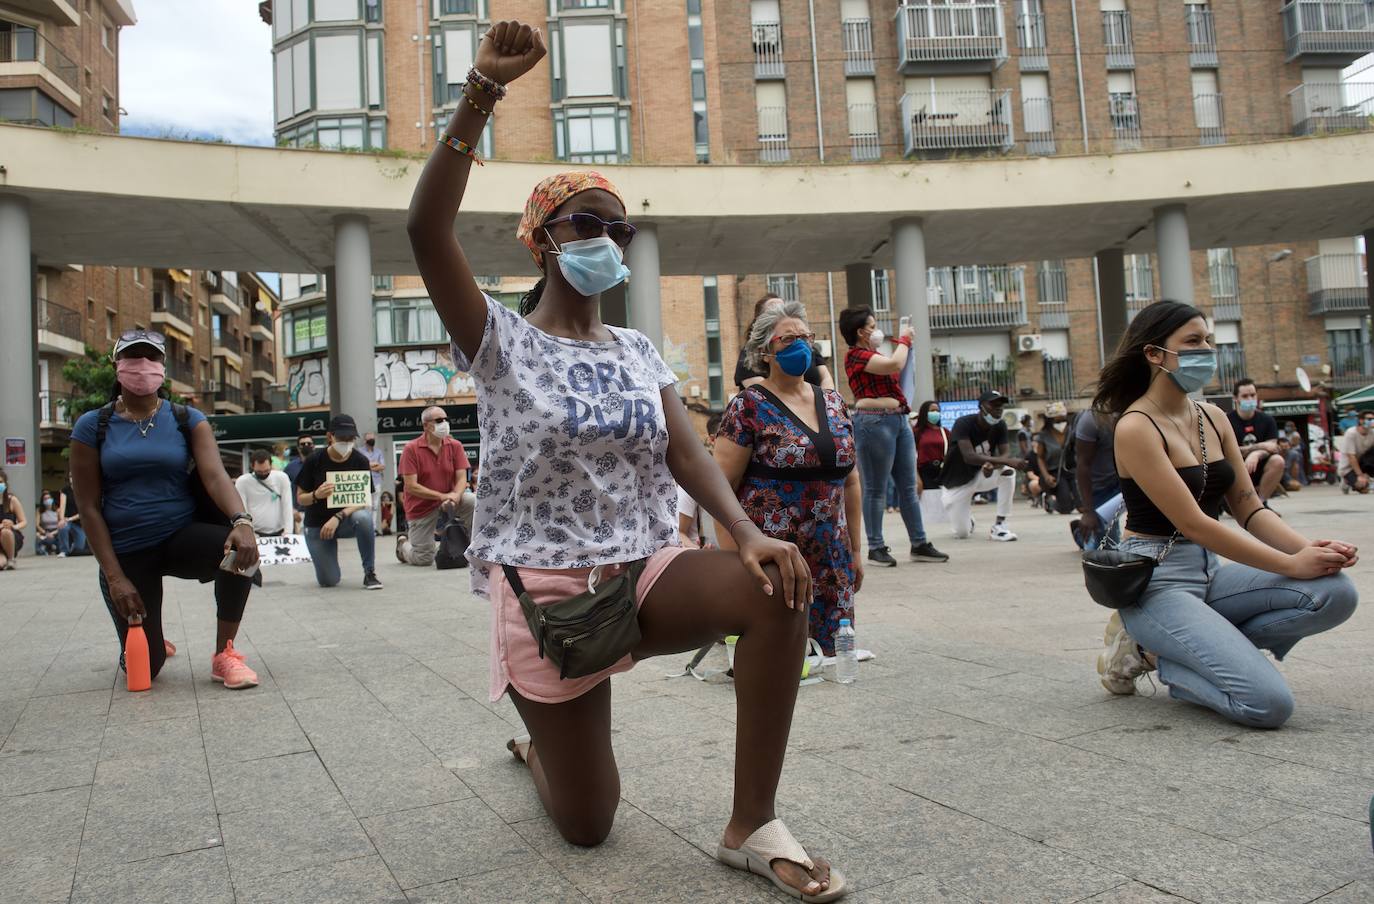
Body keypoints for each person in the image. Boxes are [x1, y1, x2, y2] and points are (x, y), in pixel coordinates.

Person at [407, 23, 845, 900]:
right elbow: (425, 228)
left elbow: (688, 456)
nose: (608, 238)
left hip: (645, 570)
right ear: (542, 238)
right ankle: (541, 744)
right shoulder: (500, 342)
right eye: (587, 223)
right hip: (550, 598)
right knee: (589, 826)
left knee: (774, 586)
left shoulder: (640, 351)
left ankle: (751, 822)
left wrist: (749, 533)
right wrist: (482, 95)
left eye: (621, 227)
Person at [1091, 300, 1358, 725]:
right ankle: (1149, 652)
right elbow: (1193, 523)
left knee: (1337, 590)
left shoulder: (1213, 417)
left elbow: (1250, 507)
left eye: (1209, 340)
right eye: (1193, 341)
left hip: (1209, 572)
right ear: (1154, 354)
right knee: (1268, 705)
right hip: (1156, 580)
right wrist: (1291, 563)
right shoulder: (1136, 426)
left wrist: (1313, 550)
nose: (1207, 350)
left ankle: (1194, 647)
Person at [68, 329, 261, 688]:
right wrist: (114, 578)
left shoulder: (188, 419)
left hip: (179, 535)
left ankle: (225, 654)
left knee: (240, 554)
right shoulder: (92, 425)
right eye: (133, 358)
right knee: (147, 667)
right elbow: (88, 507)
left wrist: (242, 521)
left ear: (163, 368)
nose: (142, 367)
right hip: (127, 551)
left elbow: (217, 476)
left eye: (151, 358)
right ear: (116, 367)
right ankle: (151, 640)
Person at [714, 301, 863, 656]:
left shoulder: (833, 403)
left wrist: (856, 550)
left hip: (831, 562)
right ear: (765, 350)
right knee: (777, 663)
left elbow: (852, 481)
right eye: (787, 339)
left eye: (805, 337)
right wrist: (738, 559)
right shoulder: (747, 406)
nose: (799, 346)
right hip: (773, 563)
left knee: (828, 666)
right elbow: (720, 490)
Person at [839, 305, 947, 568]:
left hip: (898, 420)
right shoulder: (856, 355)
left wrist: (903, 343)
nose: (877, 331)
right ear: (860, 331)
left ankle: (919, 542)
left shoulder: (871, 354)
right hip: (874, 422)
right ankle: (876, 547)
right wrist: (905, 340)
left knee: (908, 487)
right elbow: (894, 363)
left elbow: (896, 366)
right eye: (873, 327)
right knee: (876, 489)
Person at [295, 414, 383, 590]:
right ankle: (328, 562)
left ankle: (370, 572)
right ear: (330, 437)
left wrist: (338, 516)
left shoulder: (360, 460)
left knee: (364, 518)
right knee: (329, 580)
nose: (347, 442)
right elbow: (300, 497)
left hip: (345, 520)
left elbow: (364, 498)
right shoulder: (314, 460)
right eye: (342, 438)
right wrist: (316, 495)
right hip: (318, 525)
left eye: (351, 438)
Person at [939, 390, 1023, 541]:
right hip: (957, 482)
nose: (998, 408)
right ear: (981, 407)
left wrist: (994, 464)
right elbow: (969, 456)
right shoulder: (963, 423)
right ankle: (967, 518)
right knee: (962, 533)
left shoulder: (1000, 425)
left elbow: (1005, 454)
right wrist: (1003, 461)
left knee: (1008, 472)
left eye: (1000, 405)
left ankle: (1000, 525)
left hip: (981, 475)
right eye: (993, 404)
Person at [396, 406, 474, 566]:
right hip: (421, 507)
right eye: (439, 420)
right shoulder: (411, 449)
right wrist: (442, 496)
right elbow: (411, 486)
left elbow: (461, 479)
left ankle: (465, 545)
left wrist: (454, 496)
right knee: (423, 559)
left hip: (450, 501)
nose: (444, 423)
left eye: (446, 419)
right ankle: (402, 546)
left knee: (472, 500)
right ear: (426, 425)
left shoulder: (455, 445)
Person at [734, 295, 834, 392]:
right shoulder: (749, 355)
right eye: (787, 339)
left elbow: (826, 377)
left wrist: (825, 401)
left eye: (804, 337)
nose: (782, 312)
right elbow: (757, 389)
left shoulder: (809, 348)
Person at [1227, 379, 1285, 503]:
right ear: (1235, 398)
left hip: (1259, 467)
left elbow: (1273, 447)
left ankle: (1261, 503)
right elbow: (1228, 451)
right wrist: (1259, 446)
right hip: (1236, 469)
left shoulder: (1267, 420)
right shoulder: (1226, 421)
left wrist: (1256, 454)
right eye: (1245, 396)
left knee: (1277, 461)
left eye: (1253, 395)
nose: (1250, 399)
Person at [1072, 410, 1122, 549]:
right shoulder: (1092, 419)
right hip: (1101, 488)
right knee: (1106, 547)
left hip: (1126, 483)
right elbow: (1083, 465)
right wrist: (1088, 511)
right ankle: (1081, 534)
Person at [234, 450, 294, 537]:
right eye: (259, 472)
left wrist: (288, 532)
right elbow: (242, 508)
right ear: (252, 466)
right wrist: (248, 532)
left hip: (280, 532)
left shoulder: (281, 478)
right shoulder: (243, 482)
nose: (263, 474)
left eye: (266, 471)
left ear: (271, 465)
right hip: (255, 533)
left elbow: (287, 504)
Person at [1032, 401, 1071, 512]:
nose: (1061, 421)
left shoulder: (1071, 431)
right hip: (1055, 471)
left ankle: (1075, 500)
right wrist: (1046, 475)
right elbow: (1040, 457)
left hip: (1072, 470)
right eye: (1057, 419)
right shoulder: (1043, 436)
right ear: (1050, 420)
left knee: (1082, 507)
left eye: (1062, 418)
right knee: (1065, 508)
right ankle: (1049, 499)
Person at [912, 400, 950, 491]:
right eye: (932, 411)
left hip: (942, 472)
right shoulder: (916, 432)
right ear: (924, 413)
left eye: (937, 411)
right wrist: (917, 478)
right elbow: (911, 456)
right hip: (924, 473)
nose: (935, 413)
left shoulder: (944, 432)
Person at [284, 433, 315, 535]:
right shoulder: (290, 467)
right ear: (298, 448)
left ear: (313, 446)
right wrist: (292, 510)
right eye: (303, 444)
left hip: (317, 512)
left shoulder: (321, 463)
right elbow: (284, 490)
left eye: (309, 443)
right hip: (299, 514)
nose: (306, 446)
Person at [1338, 411, 1374, 494]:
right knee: (1363, 488)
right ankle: (1346, 481)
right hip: (1349, 467)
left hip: (1364, 463)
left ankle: (1368, 478)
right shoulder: (1351, 433)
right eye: (1369, 419)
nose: (1372, 421)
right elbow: (1351, 457)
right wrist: (1360, 475)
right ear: (1361, 421)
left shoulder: (1372, 433)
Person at [0, 472, 28, 568]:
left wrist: (13, 526)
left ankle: (11, 559)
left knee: (5, 532)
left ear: (5, 483)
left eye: (0, 482)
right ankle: (5, 558)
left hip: (10, 536)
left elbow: (24, 521)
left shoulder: (12, 500)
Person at [362, 430, 386, 534]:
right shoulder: (360, 451)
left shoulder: (378, 452)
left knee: (375, 505)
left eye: (373, 438)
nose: (372, 440)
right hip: (364, 481)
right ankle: (367, 528)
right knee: (367, 505)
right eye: (369, 438)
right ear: (365, 440)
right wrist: (374, 465)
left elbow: (382, 466)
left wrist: (369, 465)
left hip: (376, 481)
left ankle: (373, 528)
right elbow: (361, 466)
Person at [57, 476, 87, 555]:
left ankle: (73, 548)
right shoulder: (65, 490)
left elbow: (83, 511)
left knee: (79, 549)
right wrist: (62, 519)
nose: (72, 478)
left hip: (79, 523)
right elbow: (62, 506)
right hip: (67, 520)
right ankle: (64, 550)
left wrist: (69, 519)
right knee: (62, 527)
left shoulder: (84, 490)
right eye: (70, 476)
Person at [1282, 420, 1307, 489]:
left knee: (1298, 468)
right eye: (1286, 426)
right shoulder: (1288, 434)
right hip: (1290, 452)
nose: (1287, 428)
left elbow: (1294, 443)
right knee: (1293, 467)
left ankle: (1302, 482)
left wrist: (1286, 445)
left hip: (1296, 452)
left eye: (1289, 426)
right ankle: (1299, 482)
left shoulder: (1295, 434)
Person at [35, 489, 61, 555]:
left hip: (56, 532)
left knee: (58, 541)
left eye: (49, 498)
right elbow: (37, 525)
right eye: (45, 499)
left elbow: (61, 523)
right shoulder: (39, 511)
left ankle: (52, 548)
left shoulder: (57, 511)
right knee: (38, 538)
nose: (47, 500)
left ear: (52, 499)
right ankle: (48, 549)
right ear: (42, 501)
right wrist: (46, 533)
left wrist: (53, 533)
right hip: (45, 531)